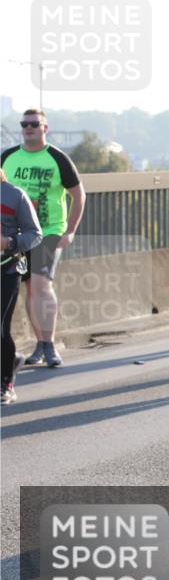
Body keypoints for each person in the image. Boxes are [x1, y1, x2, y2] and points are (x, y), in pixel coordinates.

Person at [1, 109, 85, 367]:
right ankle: (39, 344)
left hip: (48, 232)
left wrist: (69, 231)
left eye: (34, 124)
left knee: (40, 283)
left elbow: (78, 195)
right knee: (28, 287)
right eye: (24, 124)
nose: (28, 128)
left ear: (45, 128)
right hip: (17, 235)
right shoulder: (8, 157)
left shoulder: (57, 158)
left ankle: (48, 345)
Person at [1, 168, 42, 404]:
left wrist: (10, 242)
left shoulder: (15, 195)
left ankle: (5, 383)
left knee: (0, 326)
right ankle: (12, 358)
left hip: (8, 268)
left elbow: (34, 234)